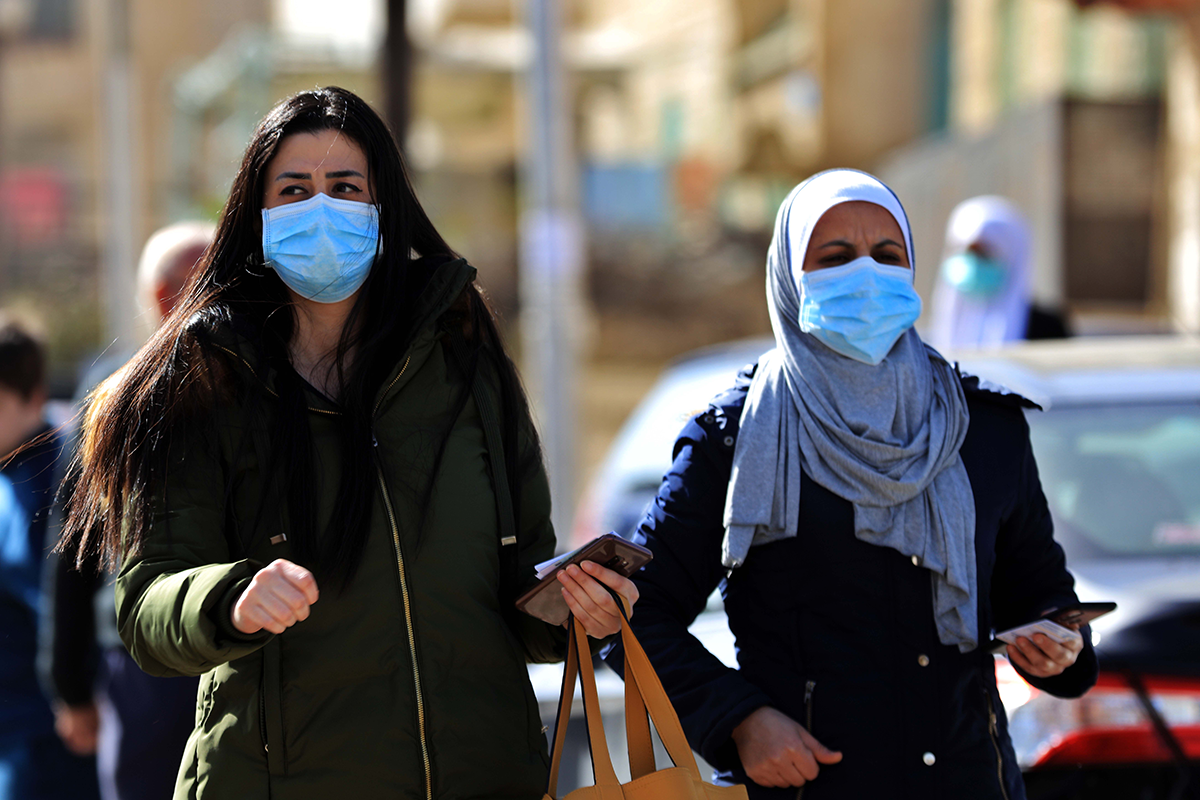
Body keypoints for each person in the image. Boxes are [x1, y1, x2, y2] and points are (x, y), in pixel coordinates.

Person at [55, 86, 638, 799]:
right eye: (294, 190)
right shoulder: (199, 383)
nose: (320, 209)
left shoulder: (464, 359)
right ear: (256, 214)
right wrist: (231, 597)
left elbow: (524, 599)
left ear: (381, 208)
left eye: (344, 188)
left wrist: (579, 609)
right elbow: (146, 607)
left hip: (482, 776)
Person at [605, 170, 1097, 799]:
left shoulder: (983, 428)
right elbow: (632, 611)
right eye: (835, 258)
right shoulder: (734, 439)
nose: (867, 275)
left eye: (887, 256)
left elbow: (1042, 595)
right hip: (815, 785)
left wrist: (1061, 649)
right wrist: (739, 721)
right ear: (789, 277)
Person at [41, 221, 214, 800]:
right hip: (146, 668)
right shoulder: (115, 406)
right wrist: (70, 685)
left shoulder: (261, 389)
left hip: (245, 641)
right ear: (167, 295)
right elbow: (74, 553)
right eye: (211, 274)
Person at [0, 318, 100, 800]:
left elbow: (65, 600)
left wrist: (74, 694)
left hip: (49, 729)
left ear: (33, 395)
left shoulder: (52, 480)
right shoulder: (8, 472)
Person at [928, 195, 1070, 352]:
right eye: (966, 251)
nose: (973, 262)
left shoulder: (1046, 328)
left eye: (983, 253)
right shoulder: (941, 325)